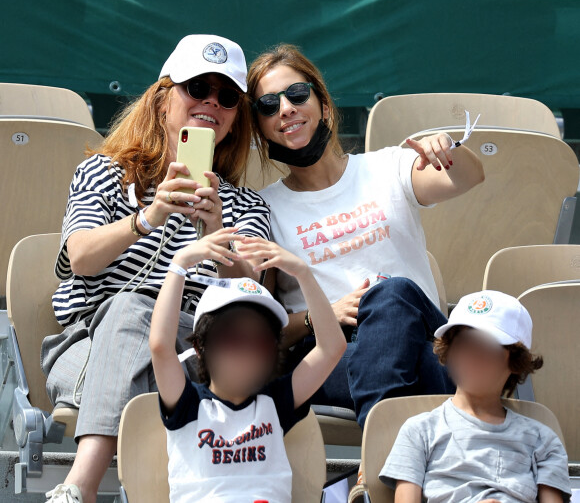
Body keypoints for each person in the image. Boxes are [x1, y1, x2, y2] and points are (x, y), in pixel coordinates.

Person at [40, 35, 271, 503]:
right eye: (196, 88)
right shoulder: (106, 173)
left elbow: (253, 290)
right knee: (130, 309)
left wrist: (216, 232)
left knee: (169, 348)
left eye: (227, 97)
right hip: (90, 341)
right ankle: (84, 489)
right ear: (163, 99)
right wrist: (148, 218)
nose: (211, 102)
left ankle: (76, 491)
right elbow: (79, 256)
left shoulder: (246, 206)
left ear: (234, 119)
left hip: (195, 345)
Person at [246, 44, 485, 429]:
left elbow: (468, 178)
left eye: (296, 94)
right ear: (259, 128)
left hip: (416, 332)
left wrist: (448, 150)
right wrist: (321, 315)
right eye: (268, 105)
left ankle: (376, 467)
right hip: (332, 351)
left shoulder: (387, 166)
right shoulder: (264, 209)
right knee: (422, 361)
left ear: (323, 105)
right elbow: (265, 326)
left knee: (392, 294)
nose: (285, 109)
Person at [149, 230, 346, 503]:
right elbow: (160, 346)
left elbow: (331, 348)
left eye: (261, 343)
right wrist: (180, 263)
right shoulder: (188, 404)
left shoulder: (275, 403)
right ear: (200, 347)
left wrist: (303, 273)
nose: (248, 353)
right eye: (232, 340)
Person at [380, 290, 571, 503]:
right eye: (464, 345)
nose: (473, 358)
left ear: (515, 362)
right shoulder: (419, 431)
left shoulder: (543, 441)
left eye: (488, 348)